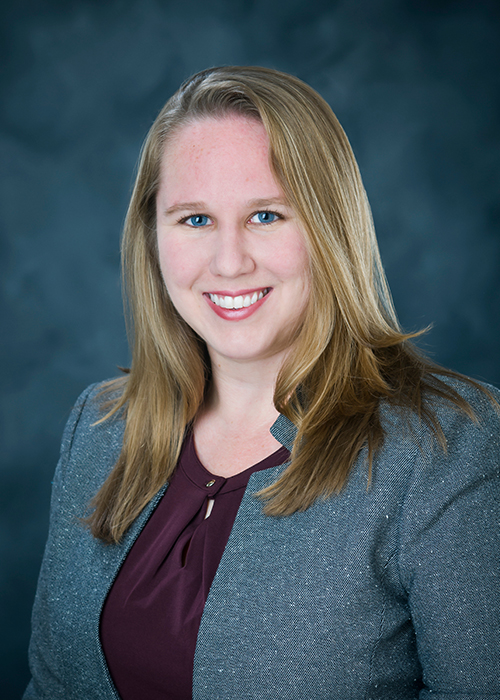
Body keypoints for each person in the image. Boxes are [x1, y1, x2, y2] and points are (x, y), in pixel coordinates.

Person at [24, 66, 500, 700]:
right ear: (152, 237)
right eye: (194, 220)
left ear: (330, 228)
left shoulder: (449, 447)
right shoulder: (100, 426)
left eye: (266, 215)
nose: (229, 261)